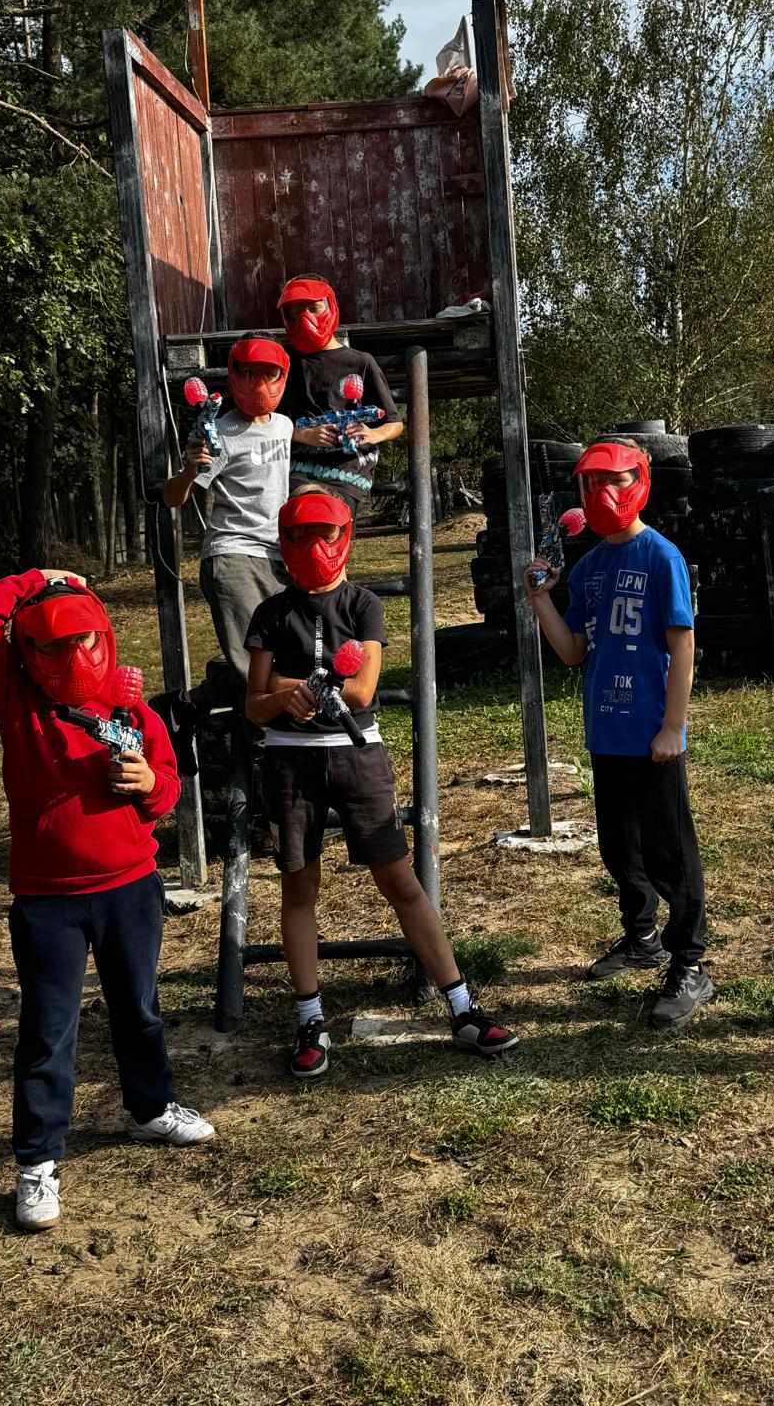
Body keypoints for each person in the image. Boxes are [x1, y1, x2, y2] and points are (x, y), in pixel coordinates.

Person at [0, 570, 214, 1233]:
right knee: (48, 1031)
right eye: (52, 646)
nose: (72, 658)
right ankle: (37, 1159)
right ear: (27, 652)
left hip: (131, 887)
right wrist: (40, 579)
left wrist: (149, 783)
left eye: (84, 641)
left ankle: (150, 1109)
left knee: (139, 1009)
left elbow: (167, 791)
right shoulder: (17, 701)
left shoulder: (133, 713)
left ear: (104, 637)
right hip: (48, 902)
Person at [244, 486, 518, 1077]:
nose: (314, 546)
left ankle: (461, 1007)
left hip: (356, 756)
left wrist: (297, 688)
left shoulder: (363, 603)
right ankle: (310, 1019)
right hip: (289, 761)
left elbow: (363, 691)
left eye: (324, 534)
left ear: (343, 537)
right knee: (299, 888)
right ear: (285, 542)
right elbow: (254, 704)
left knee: (400, 881)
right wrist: (285, 697)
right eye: (301, 536)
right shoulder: (270, 612)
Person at [525, 438, 712, 1030]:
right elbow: (572, 651)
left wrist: (673, 726)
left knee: (669, 852)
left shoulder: (661, 557)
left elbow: (683, 645)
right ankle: (641, 937)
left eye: (615, 480)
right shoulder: (588, 569)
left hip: (652, 735)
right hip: (606, 732)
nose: (603, 493)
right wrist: (540, 598)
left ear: (639, 483)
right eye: (592, 483)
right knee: (619, 848)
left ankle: (690, 962)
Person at [157, 336, 295, 754]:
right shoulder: (219, 433)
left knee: (280, 656)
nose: (258, 383)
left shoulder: (285, 426)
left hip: (277, 555)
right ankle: (267, 754)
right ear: (234, 376)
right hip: (233, 554)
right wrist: (189, 469)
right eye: (248, 373)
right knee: (251, 666)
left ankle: (188, 705)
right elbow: (173, 497)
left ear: (282, 376)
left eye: (267, 373)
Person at [277, 276, 404, 515]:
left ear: (330, 307)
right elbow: (267, 423)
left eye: (313, 308)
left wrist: (372, 433)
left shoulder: (361, 362)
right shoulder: (285, 365)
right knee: (301, 520)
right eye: (295, 312)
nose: (305, 318)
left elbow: (394, 424)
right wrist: (301, 434)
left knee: (330, 524)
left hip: (348, 475)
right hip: (296, 473)